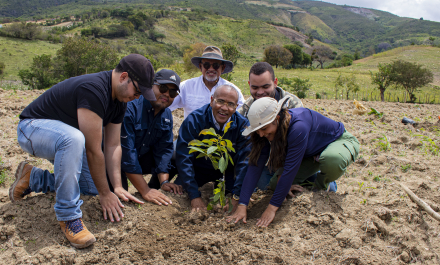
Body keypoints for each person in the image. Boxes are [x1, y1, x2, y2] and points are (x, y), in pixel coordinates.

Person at [9, 54, 155, 249]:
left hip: (63, 139)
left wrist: (116, 186)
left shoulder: (120, 101)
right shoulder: (94, 90)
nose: (136, 98)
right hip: (32, 129)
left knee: (90, 189)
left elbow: (113, 146)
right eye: (137, 91)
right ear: (123, 77)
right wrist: (105, 193)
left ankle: (33, 178)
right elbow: (93, 151)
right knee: (75, 139)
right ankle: (69, 218)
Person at [227, 97, 360, 227]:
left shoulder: (298, 126)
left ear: (277, 119)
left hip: (335, 143)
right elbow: (255, 166)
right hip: (309, 154)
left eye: (264, 129)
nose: (261, 134)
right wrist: (242, 204)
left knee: (332, 160)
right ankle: (309, 181)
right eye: (258, 131)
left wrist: (271, 209)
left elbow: (289, 170)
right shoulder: (266, 132)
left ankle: (323, 185)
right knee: (274, 184)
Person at [175, 84, 250, 212]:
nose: (224, 108)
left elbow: (244, 162)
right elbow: (184, 158)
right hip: (198, 168)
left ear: (236, 107)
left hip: (227, 173)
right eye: (220, 101)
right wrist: (194, 196)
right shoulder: (195, 120)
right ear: (211, 101)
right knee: (180, 191)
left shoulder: (242, 126)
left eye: (231, 104)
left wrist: (237, 195)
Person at [120, 69, 183, 205]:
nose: (166, 94)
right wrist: (145, 190)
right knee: (121, 196)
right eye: (163, 88)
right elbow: (127, 154)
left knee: (175, 155)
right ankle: (146, 189)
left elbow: (164, 149)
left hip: (140, 157)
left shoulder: (167, 115)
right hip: (116, 161)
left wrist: (164, 181)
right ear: (151, 86)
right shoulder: (131, 107)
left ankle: (157, 186)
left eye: (172, 92)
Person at [237, 61, 304, 190]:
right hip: (265, 164)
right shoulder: (246, 109)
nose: (260, 92)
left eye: (265, 86)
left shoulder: (292, 104)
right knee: (265, 186)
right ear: (249, 85)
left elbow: (297, 145)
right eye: (255, 88)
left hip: (291, 160)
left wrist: (284, 177)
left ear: (275, 82)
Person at [169, 45, 245, 118]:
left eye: (215, 65)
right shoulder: (186, 86)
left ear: (223, 67)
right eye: (206, 65)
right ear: (200, 66)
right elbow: (166, 106)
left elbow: (243, 116)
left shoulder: (234, 91)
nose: (211, 69)